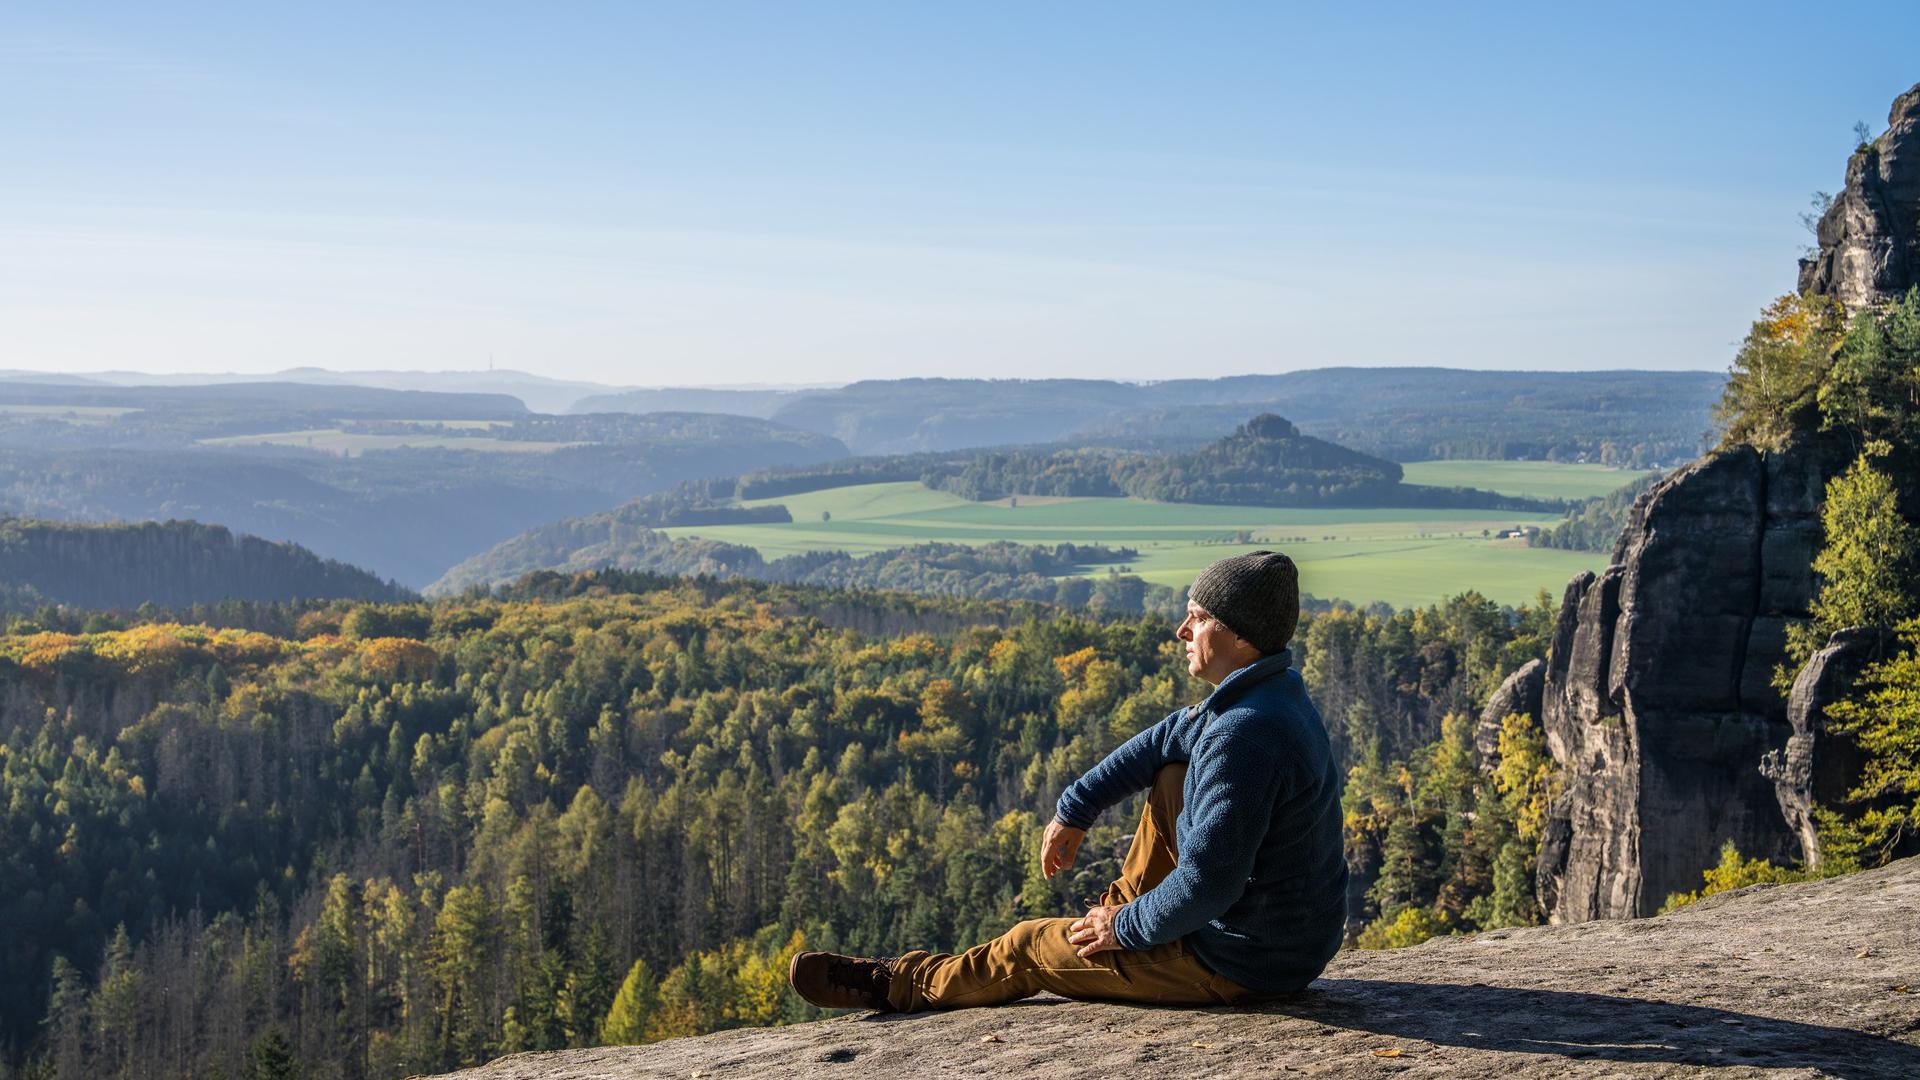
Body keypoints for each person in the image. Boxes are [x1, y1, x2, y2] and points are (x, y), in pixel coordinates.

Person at [788, 550, 1348, 1013]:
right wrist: (1074, 809)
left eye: (1197, 618)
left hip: (1245, 961)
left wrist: (1125, 928)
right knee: (1174, 774)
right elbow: (1162, 742)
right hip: (1279, 935)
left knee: (1029, 944)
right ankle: (1117, 912)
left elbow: (1208, 886)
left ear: (1240, 637)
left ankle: (899, 983)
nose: (1181, 630)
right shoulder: (1266, 696)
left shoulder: (1244, 737)